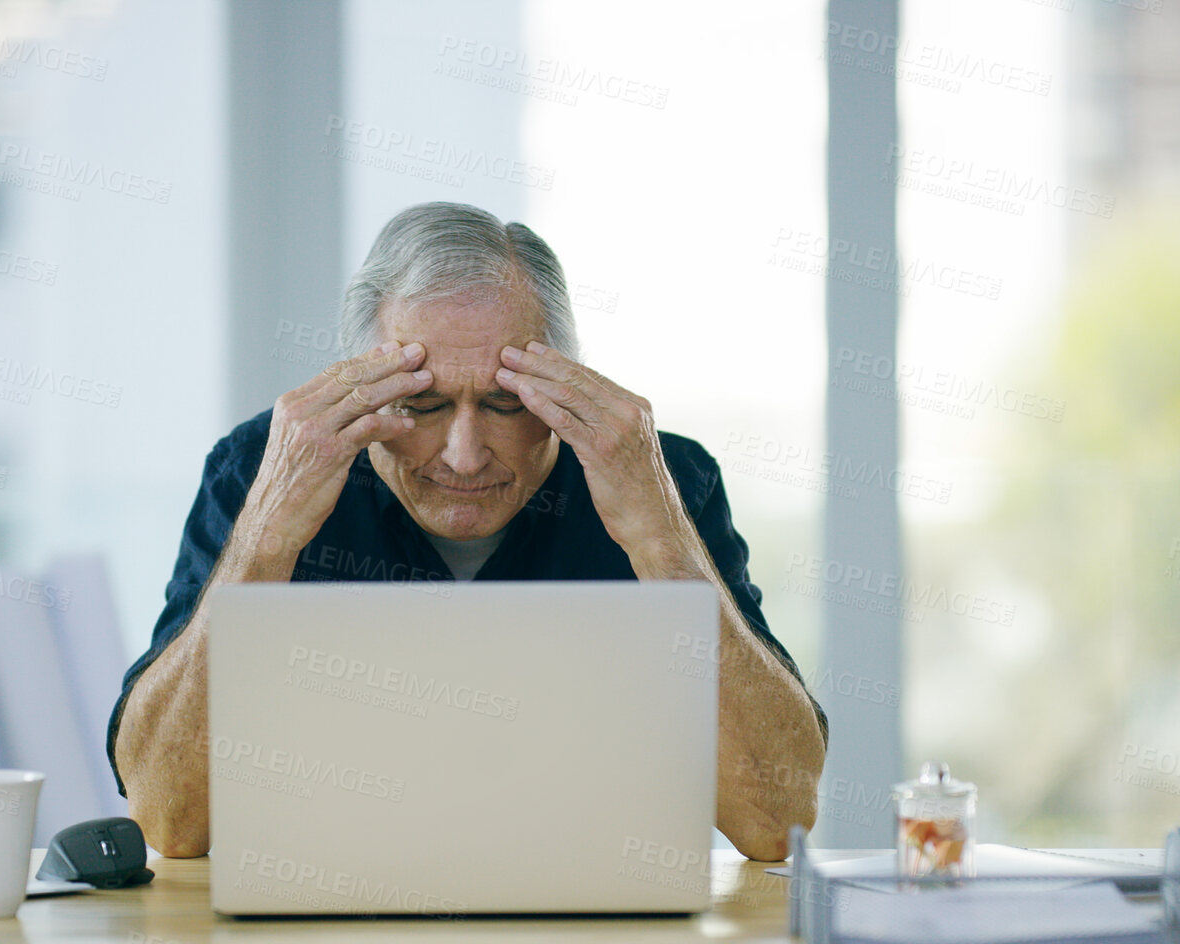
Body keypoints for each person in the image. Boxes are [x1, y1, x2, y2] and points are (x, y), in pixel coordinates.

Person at [108, 201, 826, 860]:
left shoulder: (659, 475)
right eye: (420, 403)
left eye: (504, 403)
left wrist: (665, 548)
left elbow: (774, 820)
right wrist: (262, 546)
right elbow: (169, 821)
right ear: (362, 378)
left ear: (563, 380)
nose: (462, 454)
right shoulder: (260, 468)